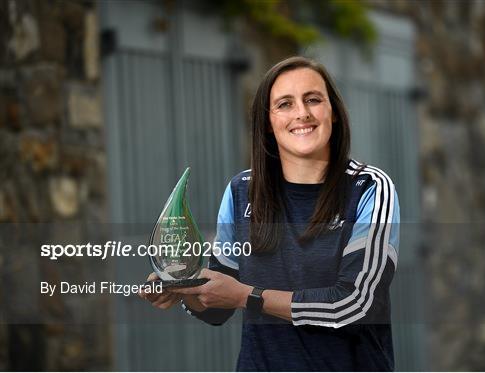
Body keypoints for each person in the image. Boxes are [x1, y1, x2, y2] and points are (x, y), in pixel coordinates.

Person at [140, 56, 400, 371]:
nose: (302, 113)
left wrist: (246, 296)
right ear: (267, 122)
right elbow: (219, 303)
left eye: (313, 100)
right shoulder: (241, 190)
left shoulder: (369, 188)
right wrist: (182, 288)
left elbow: (356, 305)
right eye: (285, 104)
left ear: (334, 112)